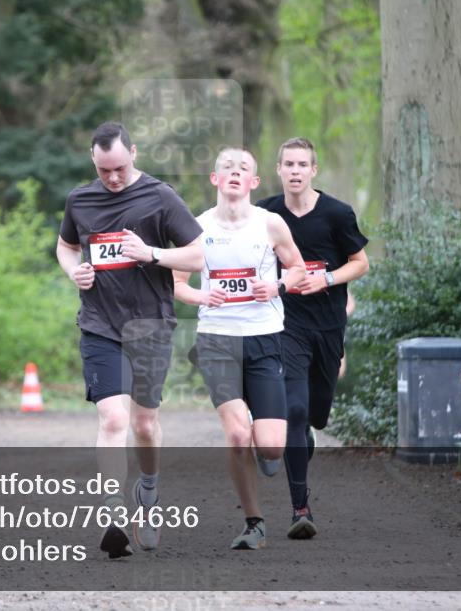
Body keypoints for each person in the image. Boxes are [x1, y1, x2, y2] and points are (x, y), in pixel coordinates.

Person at [57, 122, 204, 558]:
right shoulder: (80, 200)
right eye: (105, 171)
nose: (114, 178)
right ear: (93, 162)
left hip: (150, 326)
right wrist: (74, 271)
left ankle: (150, 493)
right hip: (99, 323)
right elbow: (66, 247)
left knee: (142, 424)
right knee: (113, 420)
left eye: (120, 168)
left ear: (134, 154)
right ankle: (112, 514)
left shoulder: (159, 196)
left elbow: (199, 253)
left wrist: (153, 254)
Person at [173, 148, 305, 550]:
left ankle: (264, 450)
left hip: (264, 337)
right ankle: (255, 523)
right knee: (235, 434)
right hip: (217, 340)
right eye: (227, 169)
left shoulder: (272, 224)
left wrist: (278, 285)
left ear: (254, 182)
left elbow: (299, 268)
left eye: (243, 169)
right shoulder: (195, 229)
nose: (234, 173)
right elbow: (177, 284)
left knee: (270, 445)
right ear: (215, 180)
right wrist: (201, 296)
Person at [256, 137, 369, 540]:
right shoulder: (264, 213)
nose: (295, 171)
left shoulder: (337, 214)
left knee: (316, 414)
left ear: (313, 170)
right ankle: (300, 508)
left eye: (303, 164)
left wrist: (328, 277)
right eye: (289, 164)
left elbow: (361, 262)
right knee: (296, 409)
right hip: (285, 324)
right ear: (279, 169)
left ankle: (301, 436)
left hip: (328, 326)